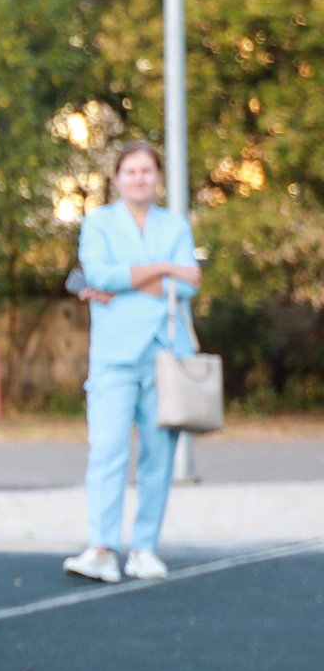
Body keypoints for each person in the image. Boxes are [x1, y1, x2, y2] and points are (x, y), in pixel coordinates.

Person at [64, 141, 200, 584]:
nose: (139, 178)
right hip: (114, 356)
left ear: (158, 177)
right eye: (131, 171)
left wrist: (125, 283)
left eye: (147, 171)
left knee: (159, 456)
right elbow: (98, 275)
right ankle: (102, 548)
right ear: (117, 178)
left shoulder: (175, 224)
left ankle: (144, 548)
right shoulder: (98, 222)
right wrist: (165, 269)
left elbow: (189, 285)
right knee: (107, 451)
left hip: (166, 355)